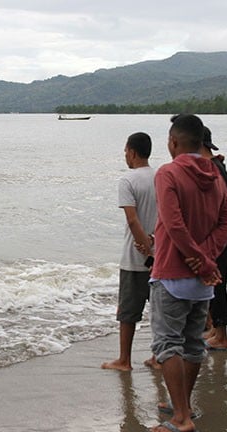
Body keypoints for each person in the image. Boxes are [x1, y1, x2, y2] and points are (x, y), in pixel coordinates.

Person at [147, 114, 227, 432]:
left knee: (168, 343)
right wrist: (208, 259)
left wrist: (199, 259)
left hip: (171, 270)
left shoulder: (168, 172)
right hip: (201, 281)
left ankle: (182, 417)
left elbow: (173, 223)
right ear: (201, 142)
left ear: (173, 142)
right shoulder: (215, 172)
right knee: (193, 342)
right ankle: (182, 405)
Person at [101, 132, 157, 371]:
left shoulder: (128, 180)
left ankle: (124, 359)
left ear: (132, 152)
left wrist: (144, 245)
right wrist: (153, 244)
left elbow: (133, 220)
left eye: (125, 151)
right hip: (160, 253)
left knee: (127, 311)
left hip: (135, 257)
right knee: (158, 309)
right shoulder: (160, 176)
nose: (125, 155)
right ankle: (158, 356)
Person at [199, 126, 227, 351]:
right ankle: (215, 329)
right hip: (226, 233)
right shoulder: (218, 166)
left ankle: (221, 333)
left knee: (218, 283)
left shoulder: (213, 168)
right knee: (217, 282)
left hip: (221, 236)